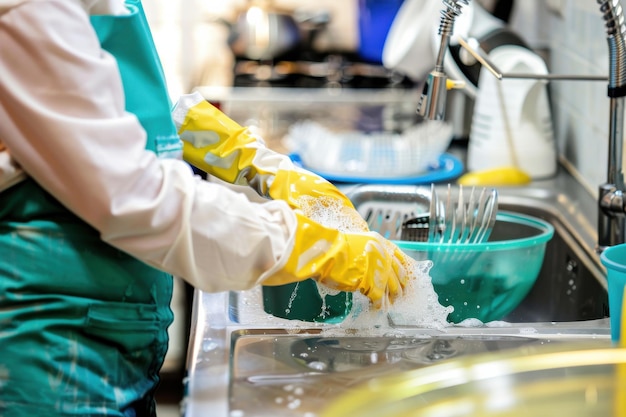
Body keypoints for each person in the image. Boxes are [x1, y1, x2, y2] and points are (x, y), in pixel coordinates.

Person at [0, 0, 413, 415]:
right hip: (48, 343)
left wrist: (240, 152)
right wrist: (308, 246)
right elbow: (138, 199)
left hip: (108, 327)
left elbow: (86, 101)